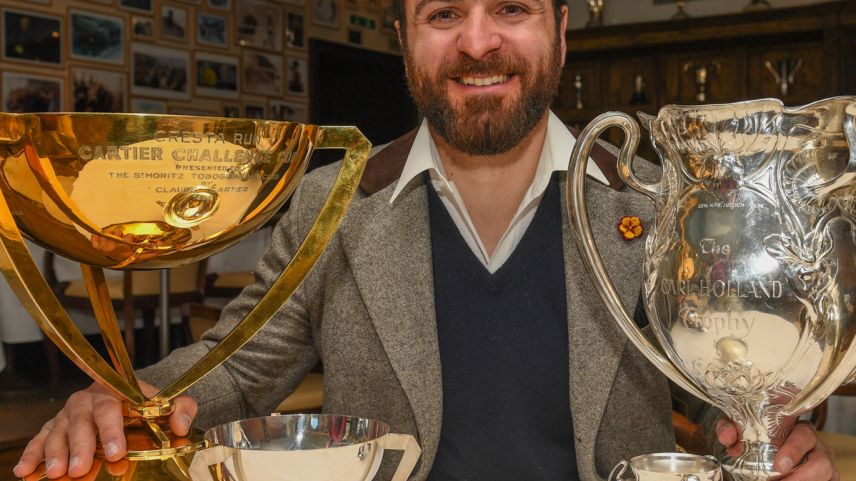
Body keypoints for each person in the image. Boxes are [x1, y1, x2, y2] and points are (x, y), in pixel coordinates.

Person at [15, 0, 838, 480]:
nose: (478, 42)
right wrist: (121, 398)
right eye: (443, 12)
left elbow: (721, 383)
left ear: (558, 26)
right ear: (404, 34)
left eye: (510, 7)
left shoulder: (655, 202)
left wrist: (778, 435)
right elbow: (232, 370)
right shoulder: (330, 206)